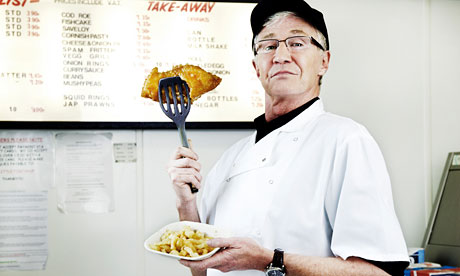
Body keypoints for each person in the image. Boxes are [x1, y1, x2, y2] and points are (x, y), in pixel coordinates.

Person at [167, 0, 409, 275]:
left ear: (324, 62)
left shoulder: (346, 140)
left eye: (296, 43)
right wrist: (185, 203)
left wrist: (269, 260)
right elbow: (203, 270)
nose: (281, 55)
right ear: (256, 67)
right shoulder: (231, 158)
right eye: (268, 46)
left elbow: (379, 272)